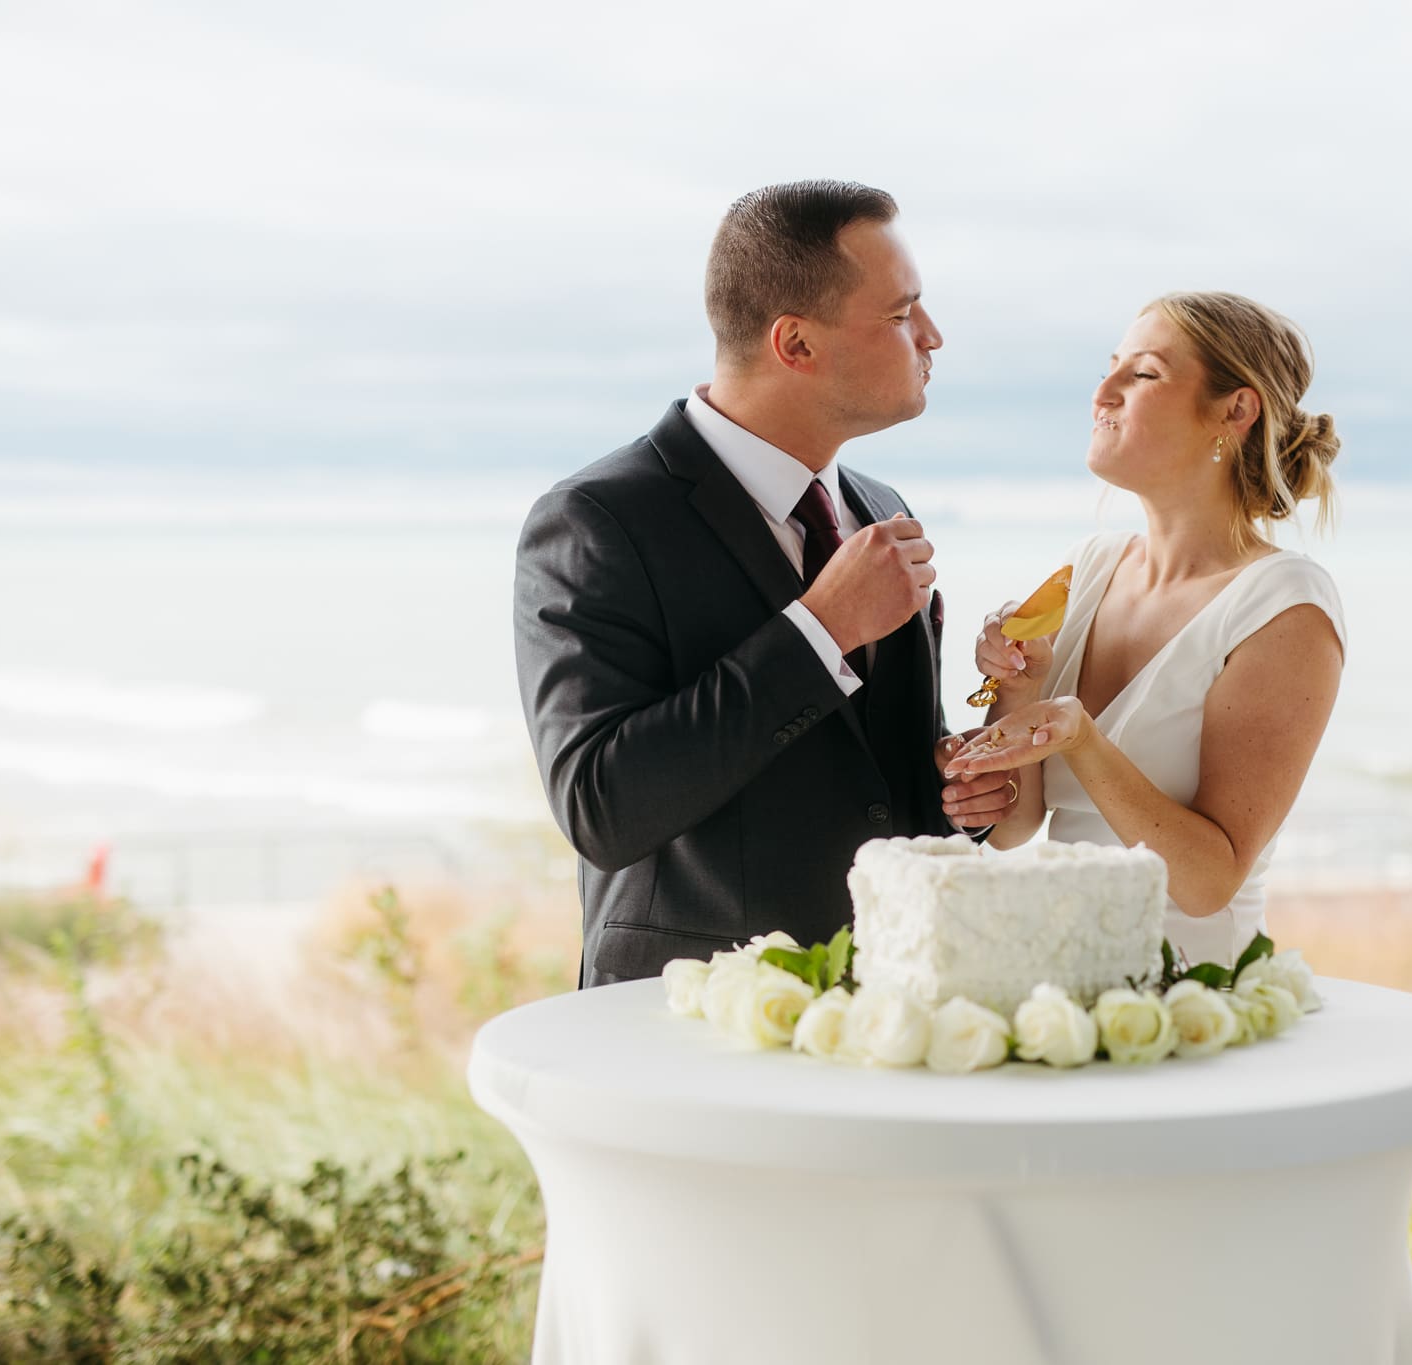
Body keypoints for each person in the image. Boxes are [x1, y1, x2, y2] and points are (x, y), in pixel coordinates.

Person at [515, 180, 1016, 987]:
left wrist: (964, 789)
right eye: (899, 315)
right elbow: (599, 807)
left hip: (893, 1005)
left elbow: (874, 784)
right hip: (692, 1024)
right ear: (796, 344)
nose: (932, 335)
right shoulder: (594, 519)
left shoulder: (880, 509)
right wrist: (818, 631)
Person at [944, 290, 1345, 969]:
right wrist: (1022, 686)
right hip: (1055, 979)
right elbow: (1013, 830)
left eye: (1144, 373)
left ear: (1234, 410)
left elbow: (1208, 881)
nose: (1102, 392)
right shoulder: (1089, 566)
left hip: (1190, 997)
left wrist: (1079, 735)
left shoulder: (1283, 607)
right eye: (1109, 367)